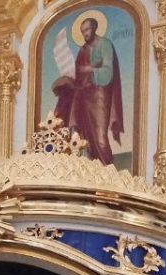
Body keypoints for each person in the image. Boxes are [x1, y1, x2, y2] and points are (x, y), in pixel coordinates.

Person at [52, 16, 124, 166]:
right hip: (83, 95)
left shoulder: (104, 44)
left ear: (94, 28)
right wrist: (67, 81)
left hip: (99, 95)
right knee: (83, 134)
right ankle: (90, 167)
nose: (84, 34)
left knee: (100, 137)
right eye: (82, 31)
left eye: (87, 30)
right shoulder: (83, 50)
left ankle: (107, 169)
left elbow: (108, 72)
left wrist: (89, 69)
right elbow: (78, 76)